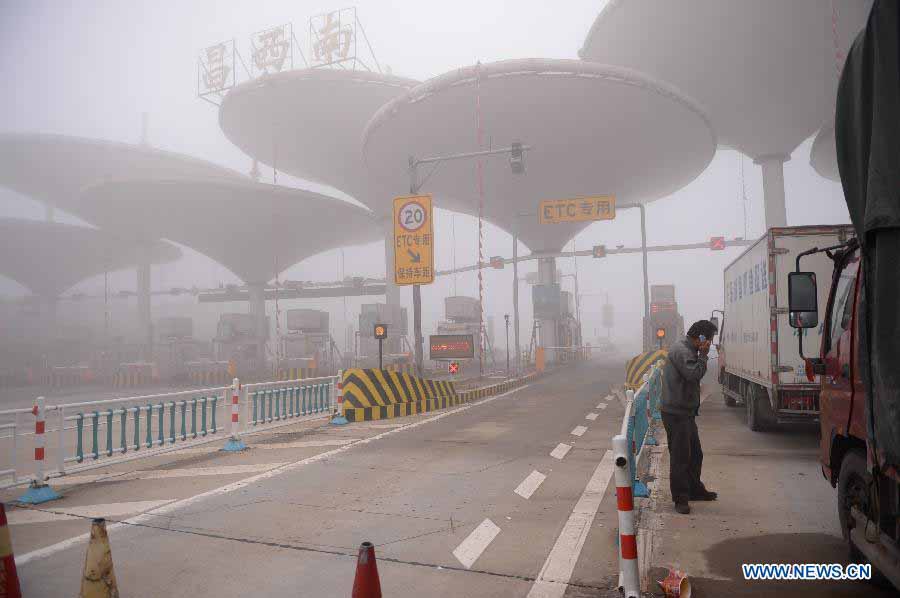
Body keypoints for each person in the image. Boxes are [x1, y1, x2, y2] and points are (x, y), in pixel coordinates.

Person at [660, 319, 719, 514]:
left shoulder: (687, 348)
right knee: (680, 457)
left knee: (695, 454)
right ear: (701, 337)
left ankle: (694, 490)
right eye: (709, 339)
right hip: (676, 413)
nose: (710, 343)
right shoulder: (682, 351)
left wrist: (700, 353)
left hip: (685, 411)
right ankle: (681, 499)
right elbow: (693, 374)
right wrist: (703, 355)